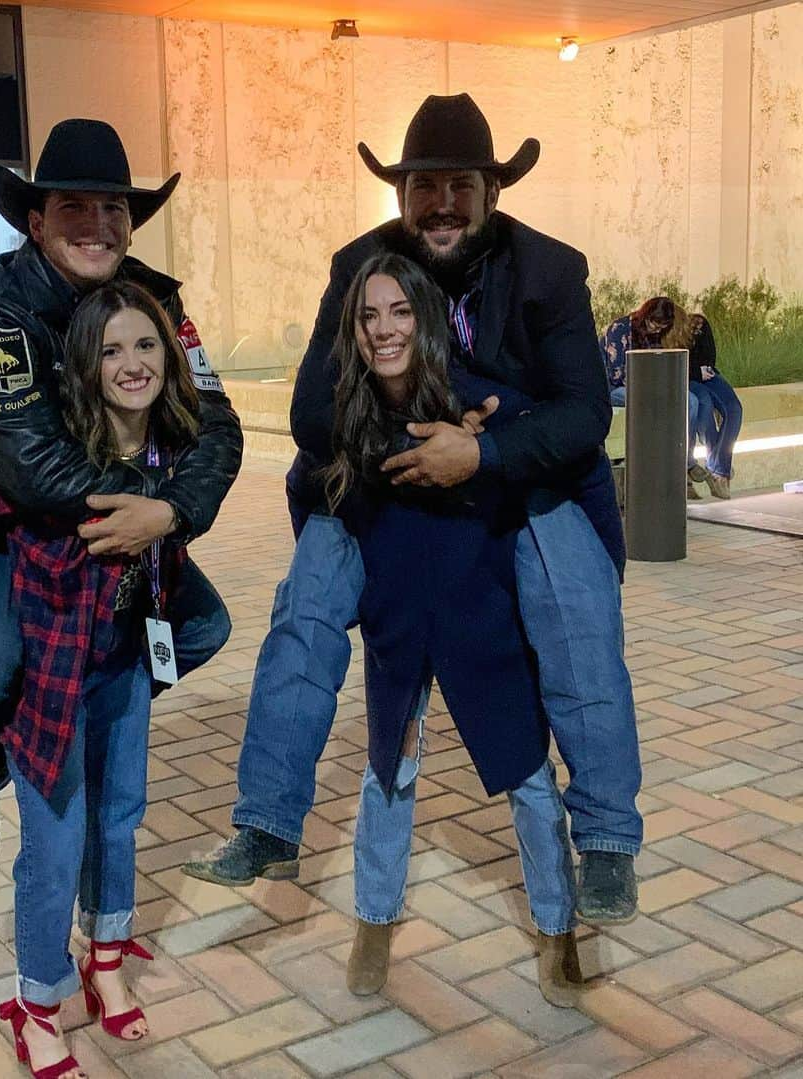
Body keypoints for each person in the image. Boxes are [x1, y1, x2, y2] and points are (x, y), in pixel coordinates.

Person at [184, 93, 642, 927]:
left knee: (576, 606)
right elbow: (311, 416)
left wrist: (484, 449)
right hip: (382, 478)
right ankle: (266, 822)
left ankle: (608, 835)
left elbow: (584, 416)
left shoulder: (549, 271)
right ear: (400, 195)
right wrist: (415, 439)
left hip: (520, 482)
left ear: (492, 191)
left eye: (460, 184)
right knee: (306, 605)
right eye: (424, 184)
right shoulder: (358, 265)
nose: (441, 203)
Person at [0, 281, 220, 1079]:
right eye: (111, 350)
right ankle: (37, 1001)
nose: (133, 362)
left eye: (146, 345)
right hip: (49, 685)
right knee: (55, 843)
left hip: (122, 661)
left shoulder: (173, 451)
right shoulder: (40, 462)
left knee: (122, 817)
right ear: (83, 366)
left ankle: (105, 958)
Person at [0, 119, 242, 869]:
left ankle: (66, 711)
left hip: (110, 518)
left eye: (113, 209)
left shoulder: (156, 301)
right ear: (35, 220)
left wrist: (174, 511)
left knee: (204, 627)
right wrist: (152, 501)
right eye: (74, 209)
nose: (97, 226)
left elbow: (217, 424)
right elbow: (32, 467)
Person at [327, 253, 604, 1006]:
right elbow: (310, 499)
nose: (384, 329)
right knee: (388, 773)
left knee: (528, 778)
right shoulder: (348, 417)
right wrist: (359, 596)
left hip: (484, 623)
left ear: (426, 317)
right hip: (398, 631)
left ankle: (558, 929)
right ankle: (373, 922)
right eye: (368, 315)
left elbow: (555, 456)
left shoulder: (477, 403)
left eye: (400, 312)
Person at [602, 296, 709, 498]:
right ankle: (661, 464)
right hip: (617, 388)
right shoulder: (620, 330)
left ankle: (687, 461)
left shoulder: (658, 334)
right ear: (646, 316)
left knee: (691, 401)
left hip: (649, 386)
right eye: (655, 323)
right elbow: (615, 373)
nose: (657, 329)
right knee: (655, 402)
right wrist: (651, 386)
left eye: (662, 326)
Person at [665, 305, 743, 499]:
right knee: (703, 402)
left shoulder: (699, 324)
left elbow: (709, 355)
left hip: (707, 374)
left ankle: (717, 466)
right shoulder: (662, 334)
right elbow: (674, 365)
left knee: (734, 409)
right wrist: (696, 371)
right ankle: (720, 473)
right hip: (689, 377)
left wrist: (702, 369)